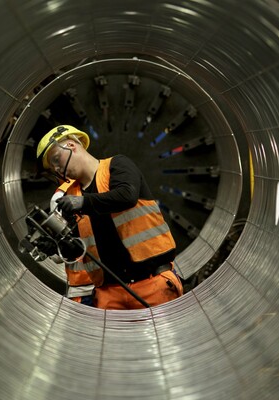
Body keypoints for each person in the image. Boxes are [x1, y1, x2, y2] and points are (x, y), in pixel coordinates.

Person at [36, 124, 183, 310]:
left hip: (153, 285)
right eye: (53, 167)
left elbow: (126, 196)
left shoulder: (117, 166)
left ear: (72, 145)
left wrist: (83, 203)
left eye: (57, 159)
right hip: (108, 295)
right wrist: (56, 247)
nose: (58, 169)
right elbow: (79, 249)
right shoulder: (68, 198)